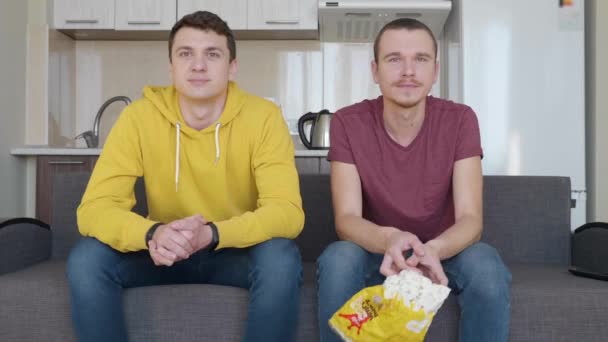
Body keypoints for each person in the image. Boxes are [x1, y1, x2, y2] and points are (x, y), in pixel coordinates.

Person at [66, 11, 305, 342]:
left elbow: (287, 213)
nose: (198, 65)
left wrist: (212, 234)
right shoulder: (138, 118)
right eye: (185, 54)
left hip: (233, 251)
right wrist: (152, 233)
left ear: (232, 66)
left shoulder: (263, 118)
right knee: (86, 258)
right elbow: (93, 210)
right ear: (171, 67)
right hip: (162, 252)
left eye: (212, 54)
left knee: (281, 256)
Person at [317, 18, 511, 342]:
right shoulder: (347, 122)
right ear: (375, 71)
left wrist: (434, 248)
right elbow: (347, 219)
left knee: (488, 269)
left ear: (435, 71)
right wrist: (389, 239)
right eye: (394, 59)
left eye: (420, 60)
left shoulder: (461, 120)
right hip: (377, 248)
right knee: (337, 259)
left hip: (446, 247)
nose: (408, 71)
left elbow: (470, 219)